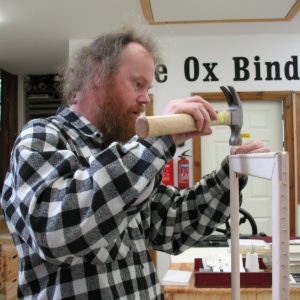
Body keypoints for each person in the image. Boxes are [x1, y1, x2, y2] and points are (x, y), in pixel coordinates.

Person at [0, 27, 269, 299]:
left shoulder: (126, 157)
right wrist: (156, 144)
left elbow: (171, 224)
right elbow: (58, 232)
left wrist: (229, 177)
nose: (146, 98)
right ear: (97, 74)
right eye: (137, 84)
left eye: (148, 88)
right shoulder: (42, 137)